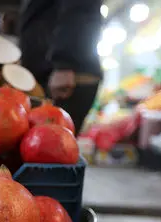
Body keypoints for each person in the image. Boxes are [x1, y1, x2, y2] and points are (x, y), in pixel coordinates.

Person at [19, 0, 103, 134]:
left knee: (52, 148)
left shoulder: (64, 64)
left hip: (65, 74)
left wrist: (65, 62)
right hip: (51, 72)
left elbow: (81, 6)